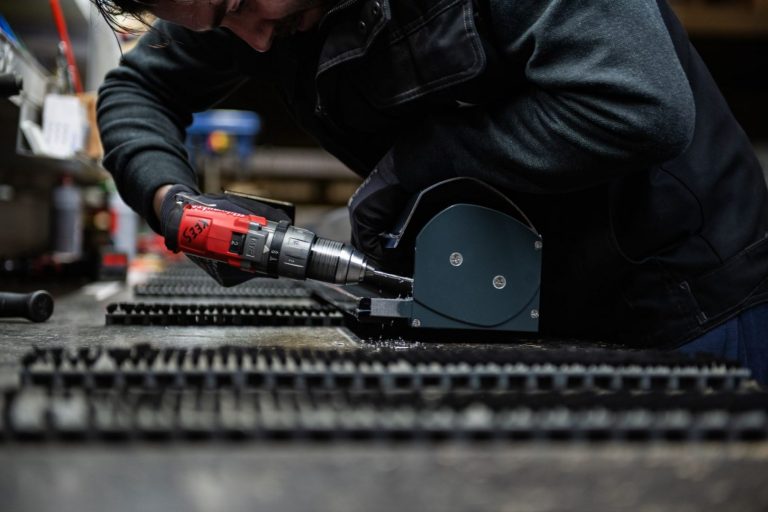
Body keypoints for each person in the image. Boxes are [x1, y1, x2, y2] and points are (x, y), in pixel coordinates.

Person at [92, 0, 768, 383]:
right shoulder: (257, 15)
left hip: (682, 304)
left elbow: (641, 103)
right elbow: (136, 88)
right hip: (517, 305)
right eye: (217, 24)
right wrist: (171, 202)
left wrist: (421, 167)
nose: (249, 39)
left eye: (238, 6)